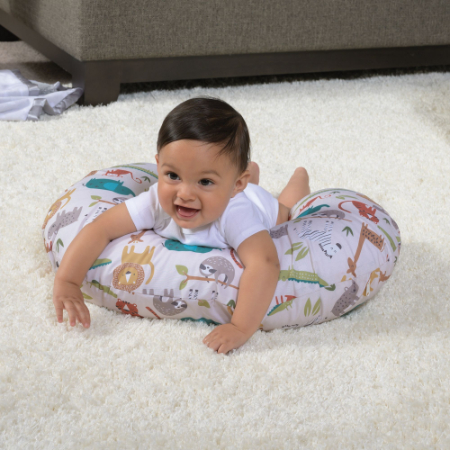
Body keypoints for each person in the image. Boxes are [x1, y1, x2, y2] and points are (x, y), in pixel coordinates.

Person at [53, 97, 311, 354]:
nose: (185, 193)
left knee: (288, 209)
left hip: (261, 206)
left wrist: (241, 327)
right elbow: (101, 228)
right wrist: (67, 281)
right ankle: (245, 175)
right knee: (230, 180)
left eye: (205, 181)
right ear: (158, 165)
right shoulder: (154, 201)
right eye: (173, 176)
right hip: (234, 186)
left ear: (236, 185)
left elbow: (265, 263)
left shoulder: (236, 214)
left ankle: (297, 178)